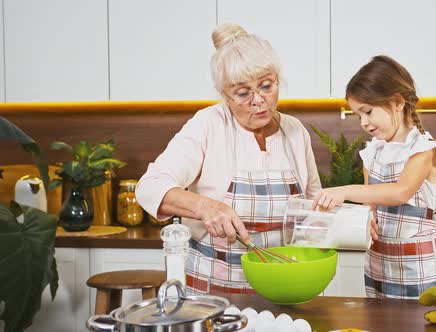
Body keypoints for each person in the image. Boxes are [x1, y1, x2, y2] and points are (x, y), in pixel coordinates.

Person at [136, 23, 322, 295]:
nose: (259, 100)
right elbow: (149, 186)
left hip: (283, 287)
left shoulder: (295, 131)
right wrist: (205, 207)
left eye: (266, 86)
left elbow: (314, 208)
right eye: (243, 93)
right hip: (215, 291)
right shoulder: (209, 124)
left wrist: (351, 222)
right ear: (224, 95)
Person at [312, 55, 436, 299]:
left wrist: (343, 192)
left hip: (417, 266)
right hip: (378, 263)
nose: (363, 123)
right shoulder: (372, 153)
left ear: (397, 102)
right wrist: (366, 219)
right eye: (358, 116)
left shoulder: (424, 149)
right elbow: (372, 205)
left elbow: (400, 192)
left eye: (367, 112)